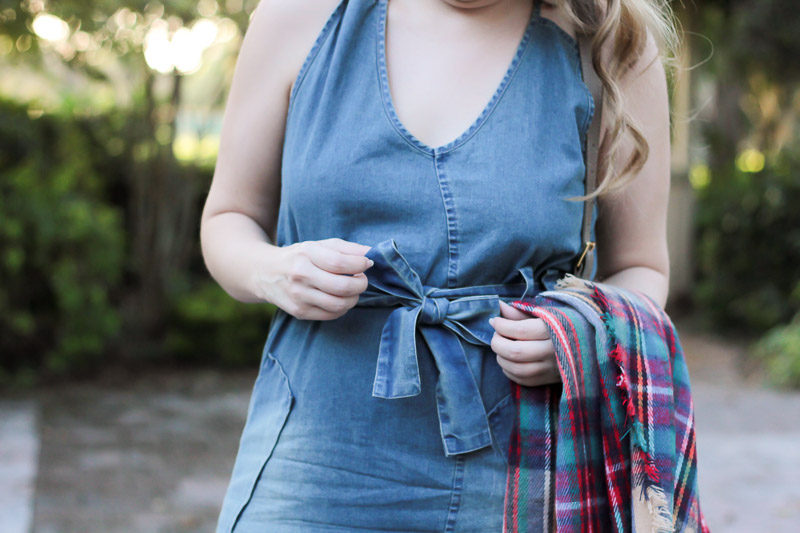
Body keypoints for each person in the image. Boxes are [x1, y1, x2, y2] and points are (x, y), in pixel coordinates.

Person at [199, 0, 678, 531]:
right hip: (312, 463)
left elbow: (641, 267)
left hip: (518, 477)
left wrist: (580, 337)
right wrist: (274, 271)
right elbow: (228, 218)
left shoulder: (609, 41)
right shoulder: (299, 16)